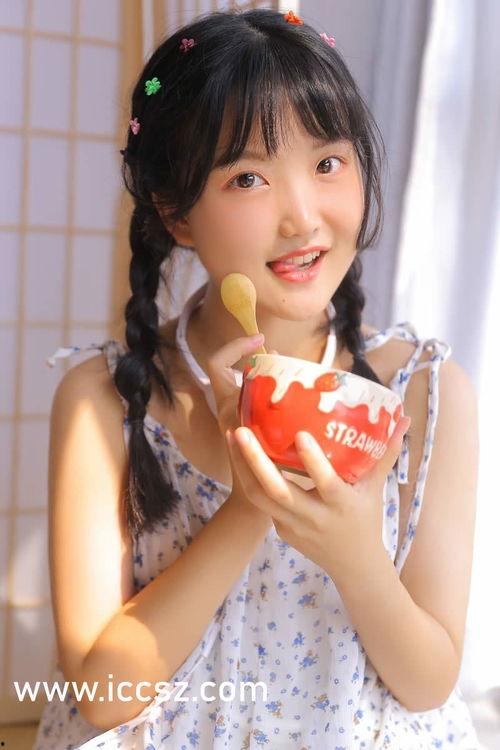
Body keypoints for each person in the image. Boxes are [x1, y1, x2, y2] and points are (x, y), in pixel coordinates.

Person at [33, 8, 480, 749]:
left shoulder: (425, 391)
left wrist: (356, 556)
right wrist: (249, 504)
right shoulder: (104, 399)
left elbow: (429, 682)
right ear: (175, 213)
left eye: (328, 163)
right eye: (248, 177)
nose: (302, 218)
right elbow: (103, 697)